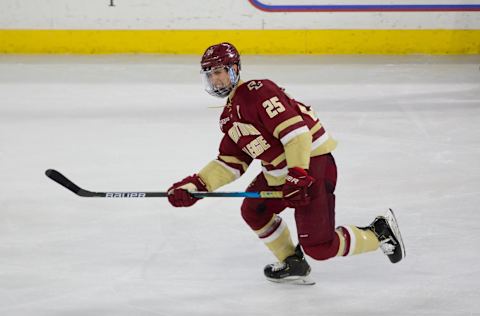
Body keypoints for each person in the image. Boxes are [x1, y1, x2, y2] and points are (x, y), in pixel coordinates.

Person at [167, 42, 405, 284]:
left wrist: (298, 173)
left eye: (219, 72)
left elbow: (297, 134)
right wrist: (195, 186)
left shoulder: (257, 92)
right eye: (210, 74)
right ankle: (293, 262)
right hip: (283, 173)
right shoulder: (228, 117)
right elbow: (230, 162)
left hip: (312, 167)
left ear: (235, 69)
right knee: (254, 210)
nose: (216, 80)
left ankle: (379, 233)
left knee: (320, 247)